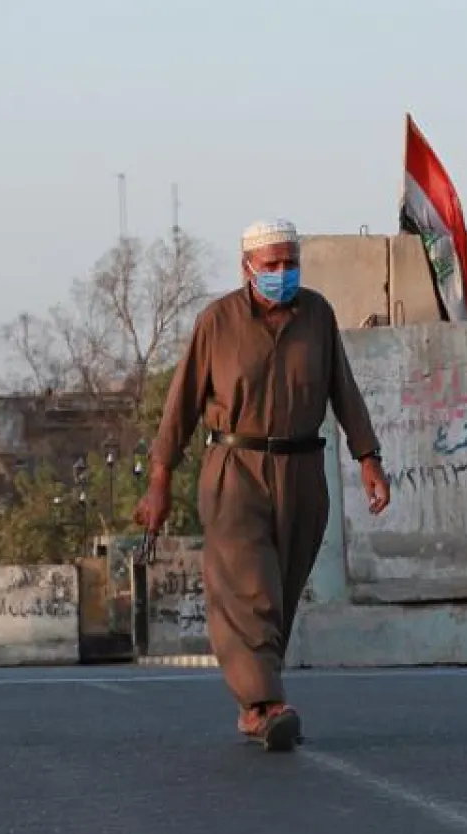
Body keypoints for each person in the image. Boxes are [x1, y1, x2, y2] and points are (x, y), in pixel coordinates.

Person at [133, 218, 390, 752]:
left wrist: (369, 458)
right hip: (235, 469)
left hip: (303, 472)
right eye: (270, 264)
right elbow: (179, 407)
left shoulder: (317, 315)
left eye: (289, 263)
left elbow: (343, 389)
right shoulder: (217, 321)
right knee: (250, 587)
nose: (281, 273)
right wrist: (159, 482)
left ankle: (255, 703)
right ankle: (265, 705)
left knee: (281, 590)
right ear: (246, 268)